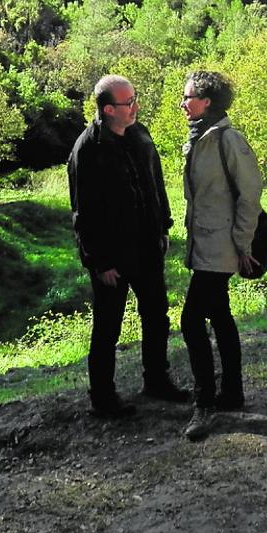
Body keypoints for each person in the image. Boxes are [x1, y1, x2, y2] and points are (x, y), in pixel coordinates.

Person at [67, 74, 188, 418]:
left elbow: (155, 183)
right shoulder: (87, 150)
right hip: (112, 255)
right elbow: (83, 211)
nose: (135, 107)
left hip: (147, 245)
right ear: (108, 109)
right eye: (128, 103)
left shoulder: (140, 134)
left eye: (135, 99)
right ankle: (103, 399)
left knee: (156, 315)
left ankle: (156, 380)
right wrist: (98, 261)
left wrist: (163, 226)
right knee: (108, 326)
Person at [178, 71, 264, 441]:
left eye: (188, 97)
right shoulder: (199, 137)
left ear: (207, 101)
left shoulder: (228, 139)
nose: (183, 103)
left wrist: (243, 245)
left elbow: (250, 194)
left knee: (191, 320)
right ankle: (232, 391)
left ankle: (205, 402)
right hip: (205, 242)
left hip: (222, 246)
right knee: (219, 313)